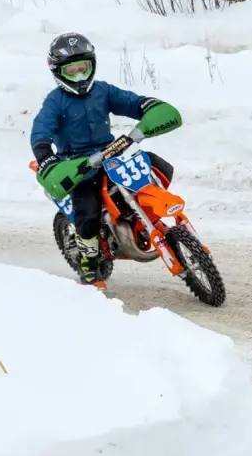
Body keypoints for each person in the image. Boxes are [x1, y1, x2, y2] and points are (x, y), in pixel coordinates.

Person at [30, 32, 182, 286]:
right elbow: (40, 132)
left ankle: (145, 214)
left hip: (111, 155)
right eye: (71, 71)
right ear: (58, 72)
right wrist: (45, 155)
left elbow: (130, 102)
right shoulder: (55, 102)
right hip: (79, 167)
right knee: (87, 212)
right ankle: (89, 264)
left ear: (92, 65)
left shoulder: (102, 91)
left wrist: (147, 106)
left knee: (158, 166)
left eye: (83, 68)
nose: (79, 76)